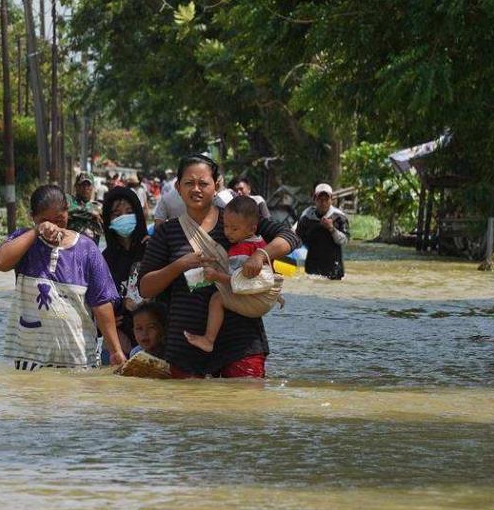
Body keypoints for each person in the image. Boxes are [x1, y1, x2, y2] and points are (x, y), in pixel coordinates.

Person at [138, 154, 300, 379]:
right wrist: (180, 265)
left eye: (203, 183)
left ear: (216, 185)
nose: (196, 189)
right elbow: (145, 288)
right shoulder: (166, 232)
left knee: (244, 400)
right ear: (178, 187)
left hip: (240, 343)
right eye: (189, 183)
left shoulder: (237, 219)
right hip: (186, 344)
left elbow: (290, 237)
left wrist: (261, 254)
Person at [0, 184, 127, 370]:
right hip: (30, 360)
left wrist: (115, 350)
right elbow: (1, 262)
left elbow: (101, 303)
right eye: (45, 220)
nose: (53, 227)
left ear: (68, 213)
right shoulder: (25, 241)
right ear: (33, 217)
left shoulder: (87, 249)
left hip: (79, 360)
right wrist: (36, 231)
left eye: (59, 220)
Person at [183, 196, 281, 353]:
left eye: (234, 229)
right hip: (265, 296)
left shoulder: (241, 250)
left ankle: (208, 340)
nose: (228, 232)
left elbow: (237, 281)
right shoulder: (261, 244)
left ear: (252, 229)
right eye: (226, 226)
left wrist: (216, 276)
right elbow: (267, 274)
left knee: (217, 299)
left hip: (254, 300)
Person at [100, 186, 150, 361]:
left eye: (129, 212)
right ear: (108, 219)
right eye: (117, 214)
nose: (124, 217)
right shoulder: (104, 259)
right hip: (116, 343)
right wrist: (106, 322)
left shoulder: (152, 249)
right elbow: (97, 302)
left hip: (152, 340)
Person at [296, 183, 350, 280]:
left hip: (334, 269)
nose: (323, 203)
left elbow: (345, 241)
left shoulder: (339, 217)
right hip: (311, 269)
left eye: (326, 199)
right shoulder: (306, 216)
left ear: (331, 200)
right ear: (314, 199)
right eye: (320, 199)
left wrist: (331, 229)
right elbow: (298, 239)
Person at [67, 172, 103, 244]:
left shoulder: (97, 207)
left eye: (88, 185)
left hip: (91, 247)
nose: (85, 188)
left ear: (92, 187)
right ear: (76, 186)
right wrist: (90, 213)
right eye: (82, 185)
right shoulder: (69, 200)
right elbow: (67, 210)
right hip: (72, 245)